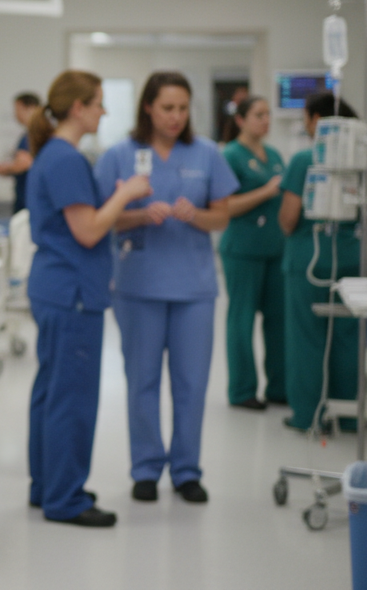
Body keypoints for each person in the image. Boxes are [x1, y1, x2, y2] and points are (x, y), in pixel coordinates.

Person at [95, 72, 237, 505]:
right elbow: (101, 220)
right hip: (138, 285)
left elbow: (223, 217)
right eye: (167, 108)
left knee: (192, 384)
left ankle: (187, 471)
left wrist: (195, 214)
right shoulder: (120, 154)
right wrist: (139, 215)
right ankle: (145, 469)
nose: (176, 117)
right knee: (142, 381)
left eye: (182, 108)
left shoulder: (207, 153)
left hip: (194, 287)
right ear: (148, 109)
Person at [26, 70, 151, 528]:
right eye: (99, 103)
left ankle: (47, 486)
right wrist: (129, 194)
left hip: (57, 288)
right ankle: (66, 498)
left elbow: (87, 222)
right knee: (71, 399)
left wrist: (129, 211)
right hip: (72, 292)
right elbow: (88, 229)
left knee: (51, 394)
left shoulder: (55, 155)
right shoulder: (65, 159)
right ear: (78, 107)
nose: (104, 111)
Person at [279, 92, 362, 432]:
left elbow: (288, 218)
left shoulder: (303, 160)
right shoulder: (361, 158)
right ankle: (348, 416)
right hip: (350, 258)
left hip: (308, 260)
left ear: (316, 120)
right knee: (346, 338)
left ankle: (308, 416)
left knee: (306, 340)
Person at [219, 96, 287, 410]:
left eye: (268, 114)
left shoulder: (273, 155)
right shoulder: (230, 155)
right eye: (259, 115)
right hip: (243, 250)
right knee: (242, 319)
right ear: (241, 120)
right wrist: (266, 191)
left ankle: (279, 386)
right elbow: (226, 207)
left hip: (275, 248)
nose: (265, 120)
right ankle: (242, 390)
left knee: (278, 321)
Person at [0, 91, 42, 214]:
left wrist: (3, 168)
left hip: (28, 202)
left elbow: (23, 164)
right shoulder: (30, 135)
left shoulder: (33, 136)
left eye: (17, 109)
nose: (15, 114)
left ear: (30, 108)